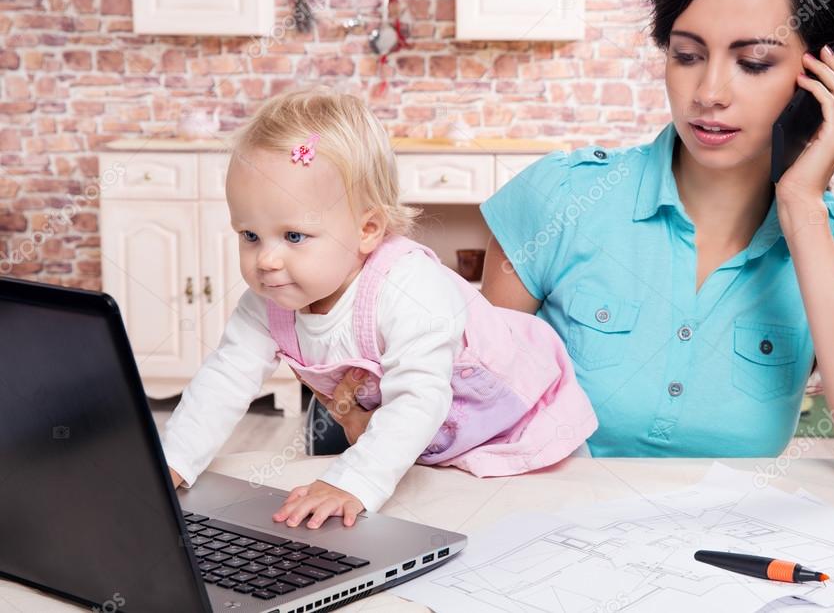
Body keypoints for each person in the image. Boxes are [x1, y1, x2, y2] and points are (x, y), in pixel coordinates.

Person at [478, 0, 834, 491]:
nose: (709, 92)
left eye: (755, 62)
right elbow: (472, 410)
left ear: (823, 82)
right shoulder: (560, 198)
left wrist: (802, 209)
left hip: (728, 552)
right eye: (687, 55)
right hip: (541, 533)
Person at [161, 87, 597, 529]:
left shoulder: (409, 287)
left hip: (518, 421)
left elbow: (418, 397)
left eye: (294, 236)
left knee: (549, 526)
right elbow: (225, 378)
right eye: (249, 235)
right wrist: (173, 462)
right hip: (423, 447)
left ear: (367, 229)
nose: (266, 261)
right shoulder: (269, 300)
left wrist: (353, 480)